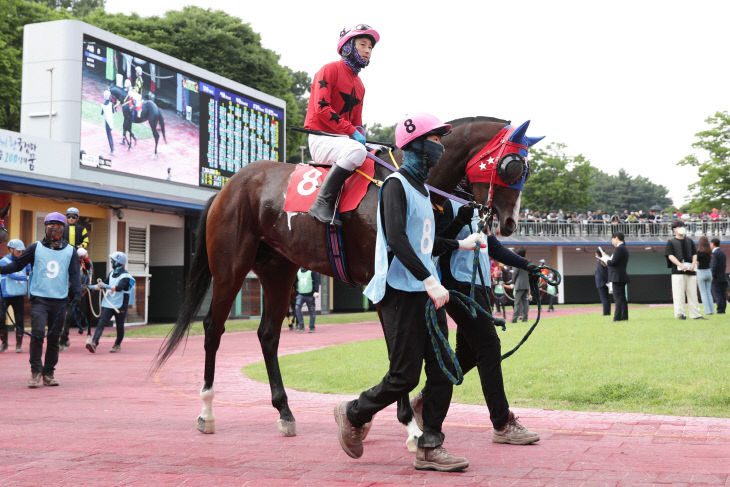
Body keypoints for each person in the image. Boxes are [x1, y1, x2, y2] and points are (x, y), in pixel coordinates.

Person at [335, 113, 476, 472]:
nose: (441, 147)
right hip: (400, 293)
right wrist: (430, 281)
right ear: (416, 143)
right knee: (404, 376)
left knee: (443, 369)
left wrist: (461, 245)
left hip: (426, 293)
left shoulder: (424, 191)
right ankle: (353, 411)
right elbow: (397, 238)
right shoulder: (394, 186)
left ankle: (430, 445)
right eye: (437, 140)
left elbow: (424, 244)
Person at [410, 197, 542, 446]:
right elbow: (433, 245)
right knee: (489, 347)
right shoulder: (444, 202)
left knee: (469, 355)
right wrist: (459, 220)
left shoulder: (481, 208)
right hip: (457, 285)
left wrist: (527, 265)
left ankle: (425, 399)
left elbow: (493, 247)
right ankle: (502, 423)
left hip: (479, 287)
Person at [304, 24, 379, 226]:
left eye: (370, 47)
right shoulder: (329, 70)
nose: (367, 50)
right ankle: (322, 201)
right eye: (362, 44)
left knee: (380, 153)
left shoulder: (360, 85)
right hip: (322, 139)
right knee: (356, 150)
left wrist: (361, 135)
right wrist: (352, 133)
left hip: (344, 143)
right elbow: (321, 109)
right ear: (348, 47)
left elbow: (356, 123)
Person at [0, 212, 81, 387]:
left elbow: (75, 275)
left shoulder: (70, 251)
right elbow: (18, 264)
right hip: (40, 300)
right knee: (37, 334)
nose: (55, 231)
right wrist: (2, 269)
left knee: (54, 338)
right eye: (51, 227)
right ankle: (35, 372)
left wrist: (76, 295)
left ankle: (49, 373)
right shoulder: (35, 247)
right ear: (45, 228)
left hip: (59, 300)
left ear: (63, 230)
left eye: (58, 227)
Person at [87, 252, 135, 353]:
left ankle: (117, 344)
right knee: (101, 323)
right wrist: (89, 287)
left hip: (120, 304)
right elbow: (102, 285)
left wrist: (105, 286)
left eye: (113, 261)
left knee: (119, 325)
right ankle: (94, 343)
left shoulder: (125, 276)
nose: (111, 263)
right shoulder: (111, 274)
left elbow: (118, 288)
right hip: (109, 303)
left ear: (118, 263)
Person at [664, 220, 704, 320]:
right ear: (674, 229)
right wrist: (680, 265)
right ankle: (680, 314)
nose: (682, 228)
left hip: (691, 270)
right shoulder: (671, 242)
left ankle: (696, 314)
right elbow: (670, 255)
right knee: (679, 294)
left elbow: (695, 253)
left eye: (683, 226)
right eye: (680, 226)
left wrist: (694, 263)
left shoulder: (689, 241)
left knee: (693, 293)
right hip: (677, 272)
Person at [59, 247, 93, 351]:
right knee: (66, 315)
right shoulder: (68, 263)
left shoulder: (87, 263)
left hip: (83, 290)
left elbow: (90, 274)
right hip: (69, 291)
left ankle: (89, 334)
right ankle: (64, 337)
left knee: (87, 310)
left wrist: (87, 287)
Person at [1, 239, 30, 353]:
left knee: (20, 319)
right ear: (11, 249)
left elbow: (30, 270)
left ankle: (19, 344)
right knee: (1, 318)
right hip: (5, 294)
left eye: (22, 251)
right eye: (18, 251)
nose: (20, 253)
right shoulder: (3, 261)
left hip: (19, 294)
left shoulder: (23, 261)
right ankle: (4, 343)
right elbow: (11, 274)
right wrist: (27, 278)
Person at [606, 232, 629, 322]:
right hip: (621, 276)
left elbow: (613, 262)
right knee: (622, 298)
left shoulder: (618, 249)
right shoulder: (623, 248)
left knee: (618, 298)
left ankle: (617, 318)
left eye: (612, 239)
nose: (612, 241)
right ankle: (624, 317)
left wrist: (606, 259)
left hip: (617, 276)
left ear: (616, 238)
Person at [294, 267, 320, 332]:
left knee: (312, 311)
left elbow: (316, 281)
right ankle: (301, 325)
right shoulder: (298, 272)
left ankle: (312, 327)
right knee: (297, 307)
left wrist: (316, 291)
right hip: (301, 294)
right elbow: (294, 282)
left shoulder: (312, 272)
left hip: (310, 295)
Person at [696, 236, 714, 315]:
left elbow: (697, 263)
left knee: (703, 293)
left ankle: (707, 311)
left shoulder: (698, 253)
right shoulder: (709, 252)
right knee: (708, 292)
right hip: (709, 272)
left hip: (701, 272)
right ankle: (712, 310)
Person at [511, 248, 530, 323]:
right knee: (525, 302)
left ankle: (514, 319)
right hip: (526, 284)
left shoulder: (517, 262)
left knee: (517, 302)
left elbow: (515, 274)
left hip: (519, 284)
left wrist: (513, 282)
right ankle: (525, 318)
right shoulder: (528, 262)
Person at [710, 238, 727, 314]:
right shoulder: (722, 253)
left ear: (713, 244)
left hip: (716, 277)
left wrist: (712, 275)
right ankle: (723, 309)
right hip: (722, 276)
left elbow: (714, 265)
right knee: (722, 294)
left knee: (717, 294)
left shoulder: (715, 253)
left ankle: (720, 310)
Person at [594, 248, 611, 316]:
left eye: (596, 253)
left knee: (604, 298)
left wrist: (606, 282)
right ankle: (607, 312)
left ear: (598, 254)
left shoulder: (602, 261)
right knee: (606, 298)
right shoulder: (601, 261)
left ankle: (606, 313)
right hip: (603, 282)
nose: (595, 255)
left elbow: (603, 272)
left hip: (602, 283)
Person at [101, 89, 115, 154]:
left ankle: (112, 149)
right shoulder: (111, 104)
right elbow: (113, 112)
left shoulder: (103, 105)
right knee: (110, 135)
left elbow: (102, 113)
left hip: (107, 123)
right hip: (111, 122)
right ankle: (112, 148)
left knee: (109, 136)